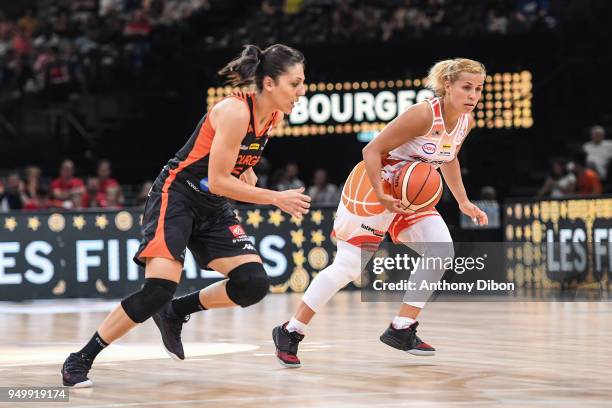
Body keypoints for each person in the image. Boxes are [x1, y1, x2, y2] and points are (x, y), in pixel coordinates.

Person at [61, 44, 310, 387]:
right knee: (158, 288)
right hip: (177, 195)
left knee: (252, 284)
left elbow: (239, 166)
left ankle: (176, 312)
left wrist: (249, 173)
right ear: (269, 83)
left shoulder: (273, 116)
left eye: (302, 82)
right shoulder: (235, 111)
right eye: (295, 83)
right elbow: (220, 179)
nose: (302, 90)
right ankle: (80, 359)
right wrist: (274, 197)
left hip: (212, 205)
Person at [273, 58, 489, 367]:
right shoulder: (423, 114)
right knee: (348, 266)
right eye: (466, 87)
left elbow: (449, 157)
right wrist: (381, 194)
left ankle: (402, 328)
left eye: (478, 89)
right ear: (447, 86)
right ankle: (290, 330)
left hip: (410, 194)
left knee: (441, 249)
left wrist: (463, 201)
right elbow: (370, 150)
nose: (473, 95)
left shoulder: (466, 121)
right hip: (374, 185)